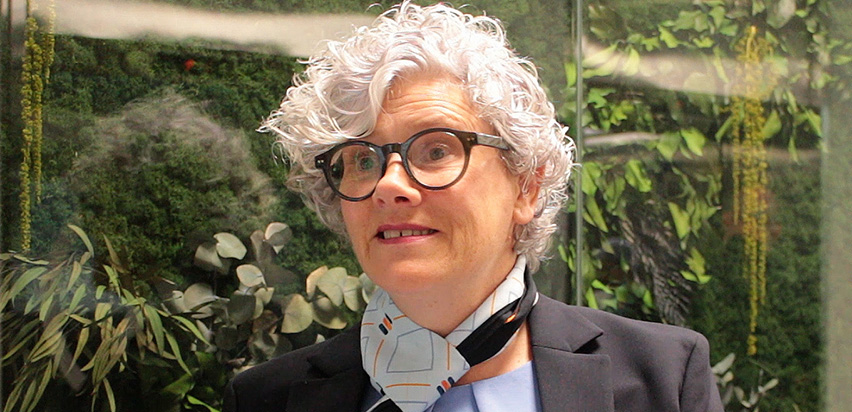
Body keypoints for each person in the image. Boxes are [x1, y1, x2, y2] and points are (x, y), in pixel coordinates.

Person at [224, 2, 724, 411]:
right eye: (360, 159)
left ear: (527, 185)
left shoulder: (663, 380)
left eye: (437, 149)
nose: (389, 184)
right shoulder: (265, 400)